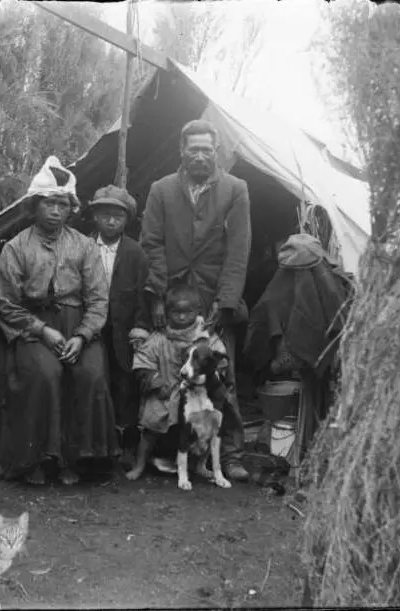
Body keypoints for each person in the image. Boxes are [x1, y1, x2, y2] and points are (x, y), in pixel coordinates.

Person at [0, 156, 120, 486]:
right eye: (48, 203)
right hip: (32, 326)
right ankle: (36, 461)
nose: (55, 211)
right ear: (34, 205)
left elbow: (98, 299)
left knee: (89, 374)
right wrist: (42, 331)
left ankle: (80, 460)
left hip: (78, 324)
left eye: (62, 204)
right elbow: (6, 304)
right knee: (44, 374)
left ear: (70, 208)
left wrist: (82, 336)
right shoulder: (15, 248)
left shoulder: (84, 246)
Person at [139, 119, 252, 481]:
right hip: (172, 298)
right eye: (194, 149)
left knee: (222, 373)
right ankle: (160, 450)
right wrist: (157, 295)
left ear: (216, 152)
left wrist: (226, 300)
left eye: (207, 149)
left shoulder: (236, 189)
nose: (200, 156)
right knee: (167, 372)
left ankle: (231, 453)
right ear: (182, 151)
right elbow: (151, 243)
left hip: (213, 295)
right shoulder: (161, 189)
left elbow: (238, 251)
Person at [125, 285, 229, 481]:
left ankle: (200, 464)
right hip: (165, 391)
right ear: (166, 312)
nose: (181, 317)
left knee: (209, 424)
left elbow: (220, 359)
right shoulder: (160, 337)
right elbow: (142, 361)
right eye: (176, 312)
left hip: (197, 394)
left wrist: (212, 377)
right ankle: (139, 464)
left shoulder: (205, 337)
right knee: (152, 419)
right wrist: (155, 381)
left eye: (187, 312)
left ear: (198, 311)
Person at [88, 185, 151, 463]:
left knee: (125, 382)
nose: (111, 221)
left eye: (118, 216)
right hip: (92, 328)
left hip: (124, 329)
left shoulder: (135, 252)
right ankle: (99, 442)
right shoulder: (83, 246)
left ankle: (127, 444)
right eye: (105, 215)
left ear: (127, 220)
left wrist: (140, 325)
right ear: (95, 217)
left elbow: (142, 294)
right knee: (96, 380)